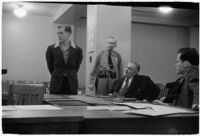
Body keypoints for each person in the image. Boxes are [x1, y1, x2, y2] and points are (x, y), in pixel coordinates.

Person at [46, 26, 83, 94]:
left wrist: (70, 72)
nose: (59, 35)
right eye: (58, 33)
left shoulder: (78, 50)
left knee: (71, 103)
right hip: (56, 81)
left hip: (71, 82)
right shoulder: (51, 49)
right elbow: (50, 65)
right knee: (54, 102)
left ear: (68, 34)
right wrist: (57, 73)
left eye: (61, 33)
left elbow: (77, 66)